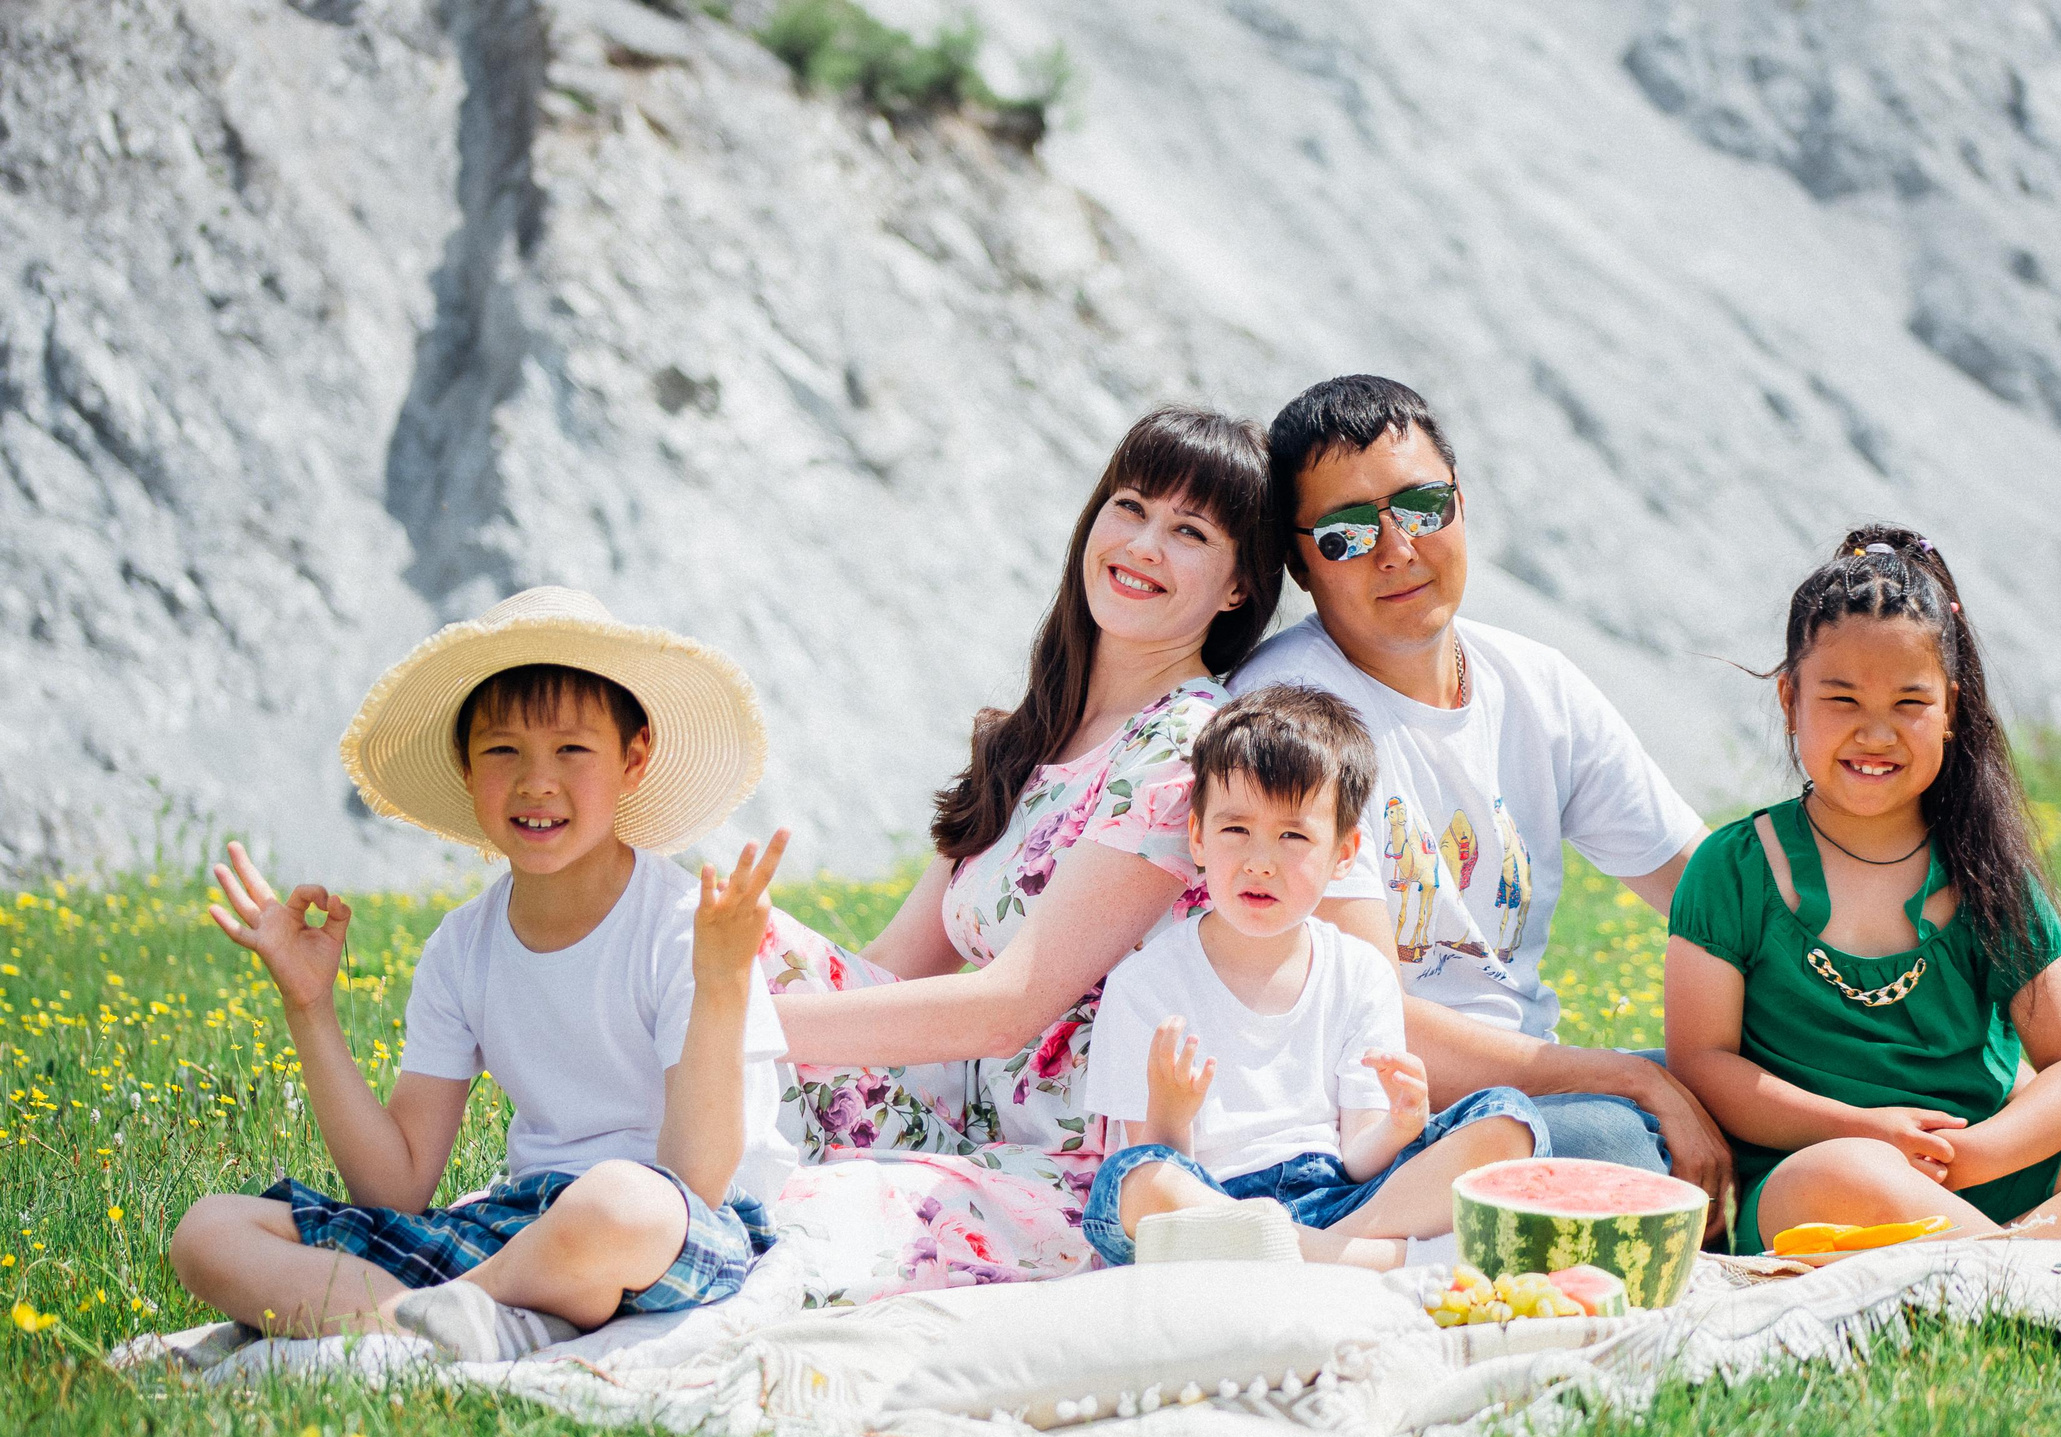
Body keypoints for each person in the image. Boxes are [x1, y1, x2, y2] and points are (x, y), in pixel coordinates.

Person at [167, 588, 796, 1362]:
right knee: (209, 1231)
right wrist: (310, 1006)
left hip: (670, 1227)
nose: (536, 781)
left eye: (572, 749)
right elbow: (396, 1189)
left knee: (618, 1201)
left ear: (633, 759)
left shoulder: (680, 925)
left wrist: (726, 978)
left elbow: (697, 1178)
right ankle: (455, 1319)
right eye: (503, 751)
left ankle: (449, 1312)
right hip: (524, 1227)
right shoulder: (463, 945)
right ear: (467, 768)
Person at [758, 404, 1284, 1294]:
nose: (1144, 544)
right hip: (963, 1119)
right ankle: (601, 1174)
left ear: (1237, 588)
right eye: (1129, 506)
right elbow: (888, 966)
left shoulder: (1188, 748)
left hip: (1089, 1178)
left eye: (1188, 530)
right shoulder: (1024, 738)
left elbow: (1012, 1005)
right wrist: (727, 986)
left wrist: (743, 1034)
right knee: (719, 932)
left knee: (805, 1216)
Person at [1230, 375, 1730, 1211]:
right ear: (1298, 562)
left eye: (1422, 506)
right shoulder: (1287, 717)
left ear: (1462, 502)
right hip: (1362, 1124)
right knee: (1625, 1141)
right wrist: (1631, 1079)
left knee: (1751, 1091)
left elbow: (1712, 895)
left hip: (1524, 1096)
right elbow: (1370, 1020)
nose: (1397, 550)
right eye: (1348, 533)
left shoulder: (1534, 683)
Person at [1661, 526, 2061, 1254]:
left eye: (1908, 702)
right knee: (1847, 1175)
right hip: (1821, 1178)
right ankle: (2026, 1262)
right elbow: (1704, 1063)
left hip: (1979, 1166)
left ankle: (1989, 1257)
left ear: (1949, 708)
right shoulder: (1732, 870)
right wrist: (1864, 1130)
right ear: (1790, 699)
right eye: (1843, 699)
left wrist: (1976, 1154)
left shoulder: (1986, 872)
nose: (1875, 732)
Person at [1079, 685, 1547, 1269]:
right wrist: (1171, 1112)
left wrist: (1400, 1127)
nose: (1260, 861)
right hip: (1212, 1206)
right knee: (1132, 1180)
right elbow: (1155, 1162)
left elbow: (1358, 1158)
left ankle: (1307, 1252)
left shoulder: (1359, 973)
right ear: (1197, 836)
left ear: (1345, 853)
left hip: (1336, 1201)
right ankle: (1368, 1259)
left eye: (1293, 836)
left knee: (1511, 1123)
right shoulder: (1145, 983)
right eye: (1235, 830)